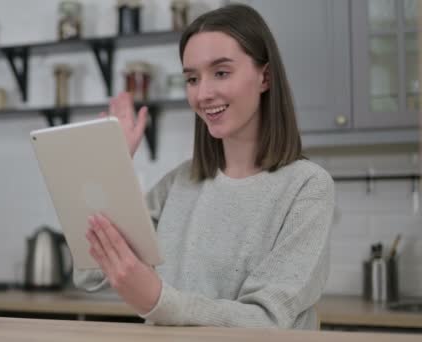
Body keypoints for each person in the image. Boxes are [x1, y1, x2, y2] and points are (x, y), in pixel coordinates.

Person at [74, 3, 334, 329]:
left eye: (221, 72)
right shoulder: (179, 183)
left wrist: (157, 300)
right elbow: (88, 272)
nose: (204, 93)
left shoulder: (306, 187)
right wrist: (112, 165)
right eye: (192, 78)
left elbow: (266, 320)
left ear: (264, 77)